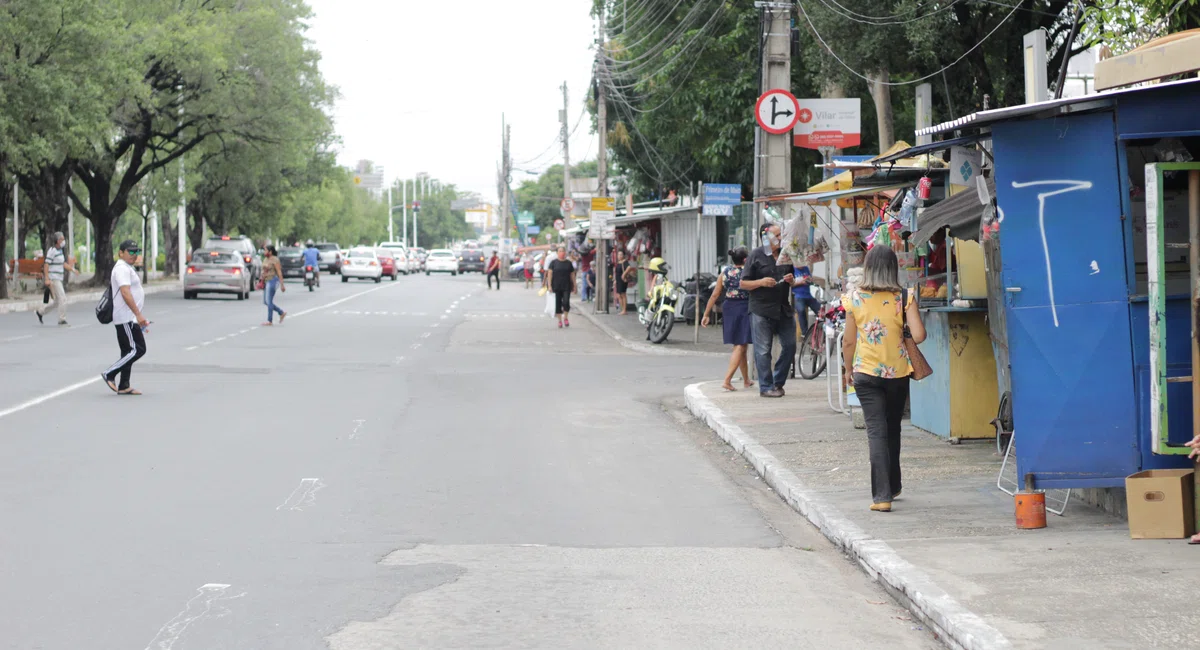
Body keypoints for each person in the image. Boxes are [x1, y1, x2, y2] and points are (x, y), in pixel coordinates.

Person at [841, 245, 926, 513]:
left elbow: (848, 341)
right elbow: (920, 335)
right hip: (897, 373)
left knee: (876, 432)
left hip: (865, 372)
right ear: (893, 268)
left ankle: (882, 496)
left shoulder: (854, 298)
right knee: (893, 428)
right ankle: (894, 484)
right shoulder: (904, 296)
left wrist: (847, 369)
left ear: (868, 267)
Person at [740, 223, 800, 398]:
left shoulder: (785, 254)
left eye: (781, 235)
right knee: (763, 350)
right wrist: (761, 282)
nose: (781, 238)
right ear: (766, 237)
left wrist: (791, 280)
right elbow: (743, 283)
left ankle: (777, 382)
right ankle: (765, 387)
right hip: (761, 309)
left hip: (783, 308)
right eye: (777, 235)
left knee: (790, 345)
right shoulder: (756, 255)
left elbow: (795, 279)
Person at [702, 247, 754, 392]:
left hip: (729, 307)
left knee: (741, 344)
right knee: (741, 345)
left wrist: (706, 314)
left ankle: (746, 380)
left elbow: (715, 294)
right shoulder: (749, 272)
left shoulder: (725, 272)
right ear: (745, 259)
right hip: (743, 307)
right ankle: (727, 380)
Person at [101, 240, 148, 395]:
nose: (134, 255)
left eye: (136, 252)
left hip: (129, 317)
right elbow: (125, 292)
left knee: (127, 350)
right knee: (139, 349)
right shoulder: (121, 268)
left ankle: (124, 384)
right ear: (121, 253)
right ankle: (110, 373)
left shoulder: (126, 268)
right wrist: (138, 314)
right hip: (126, 317)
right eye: (130, 252)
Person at [36, 231, 76, 326]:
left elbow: (63, 264)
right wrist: (47, 279)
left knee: (57, 301)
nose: (63, 241)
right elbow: (46, 264)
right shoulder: (52, 251)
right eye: (62, 239)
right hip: (54, 278)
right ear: (58, 241)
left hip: (59, 277)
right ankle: (62, 319)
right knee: (63, 298)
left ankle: (40, 312)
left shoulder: (60, 251)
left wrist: (73, 270)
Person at [545, 245, 576, 328]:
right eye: (560, 251)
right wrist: (549, 286)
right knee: (558, 304)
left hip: (566, 286)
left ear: (565, 252)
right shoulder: (553, 263)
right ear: (557, 253)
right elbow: (549, 274)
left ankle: (565, 317)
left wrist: (574, 285)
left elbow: (572, 275)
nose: (562, 253)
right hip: (556, 286)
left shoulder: (568, 263)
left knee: (566, 302)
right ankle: (559, 321)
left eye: (563, 251)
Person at [792, 263, 821, 337]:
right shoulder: (791, 269)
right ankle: (804, 333)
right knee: (801, 310)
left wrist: (810, 280)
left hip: (808, 295)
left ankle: (821, 330)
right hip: (798, 295)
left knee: (820, 310)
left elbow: (810, 279)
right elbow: (790, 284)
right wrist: (801, 282)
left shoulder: (806, 268)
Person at [261, 244, 286, 326]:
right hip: (266, 280)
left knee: (269, 301)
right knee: (266, 301)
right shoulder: (265, 259)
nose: (264, 252)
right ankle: (281, 312)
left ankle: (269, 320)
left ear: (270, 252)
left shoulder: (275, 260)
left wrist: (282, 284)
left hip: (272, 280)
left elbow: (279, 272)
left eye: (266, 250)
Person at [613, 250, 636, 315]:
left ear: (623, 255)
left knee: (623, 294)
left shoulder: (625, 262)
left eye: (621, 254)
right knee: (618, 295)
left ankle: (624, 310)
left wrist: (624, 274)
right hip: (618, 280)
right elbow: (617, 273)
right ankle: (622, 309)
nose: (619, 256)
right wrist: (615, 280)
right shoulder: (618, 263)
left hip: (623, 280)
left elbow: (629, 267)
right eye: (618, 254)